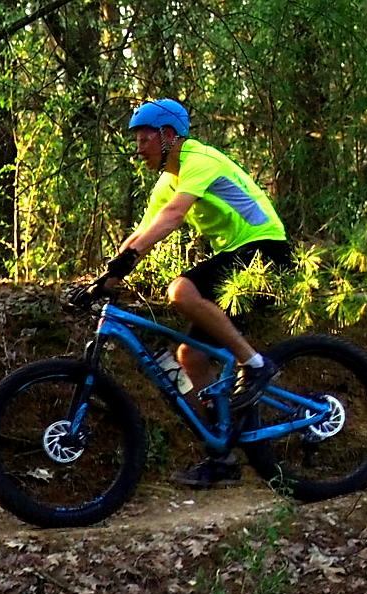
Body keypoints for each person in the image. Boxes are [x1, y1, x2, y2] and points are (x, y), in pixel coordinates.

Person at [74, 98, 294, 487]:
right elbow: (143, 231)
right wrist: (104, 277)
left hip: (266, 249)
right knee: (188, 358)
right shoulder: (168, 180)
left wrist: (129, 262)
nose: (139, 146)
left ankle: (257, 366)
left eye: (145, 138)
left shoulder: (200, 160)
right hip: (236, 256)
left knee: (181, 291)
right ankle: (221, 456)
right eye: (136, 139)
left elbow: (174, 217)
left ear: (169, 135)